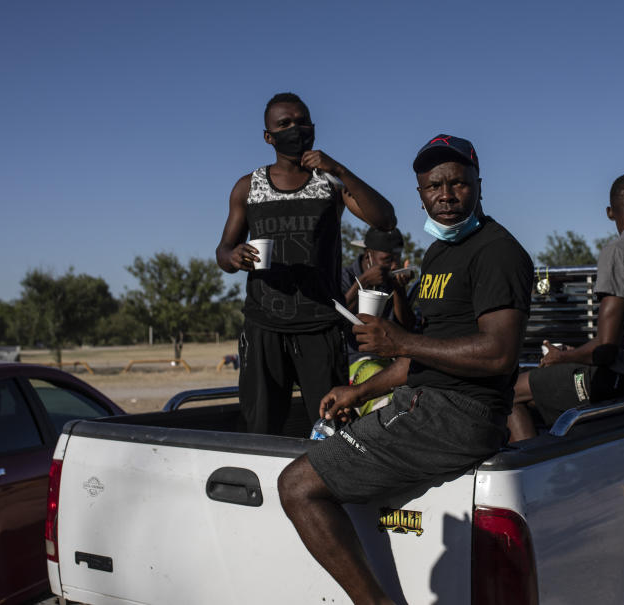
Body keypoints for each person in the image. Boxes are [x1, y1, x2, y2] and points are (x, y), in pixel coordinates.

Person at [276, 134, 534, 603]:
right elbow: (425, 355)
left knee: (296, 486)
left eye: (458, 183)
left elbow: (499, 353)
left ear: (478, 183)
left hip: (457, 414)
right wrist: (358, 391)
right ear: (420, 193)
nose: (447, 195)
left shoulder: (496, 251)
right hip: (428, 403)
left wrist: (398, 340)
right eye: (434, 186)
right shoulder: (438, 255)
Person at [216, 92, 396, 437]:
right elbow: (223, 250)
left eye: (302, 121)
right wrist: (234, 257)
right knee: (260, 429)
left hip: (321, 328)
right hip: (264, 326)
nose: (295, 129)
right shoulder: (247, 187)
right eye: (284, 124)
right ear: (269, 137)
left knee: (331, 430)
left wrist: (338, 168)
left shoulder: (329, 183)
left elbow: (385, 220)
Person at [507, 174, 624, 441]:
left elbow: (606, 349)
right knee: (544, 391)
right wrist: (577, 353)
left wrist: (560, 358)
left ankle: (530, 474)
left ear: (610, 212)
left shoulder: (620, 250)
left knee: (509, 393)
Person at [341, 227, 417, 364]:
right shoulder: (345, 277)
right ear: (368, 255)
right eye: (387, 260)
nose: (394, 266)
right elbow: (336, 318)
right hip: (354, 359)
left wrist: (399, 289)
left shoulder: (391, 280)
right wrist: (363, 282)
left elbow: (406, 327)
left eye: (397, 259)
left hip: (390, 358)